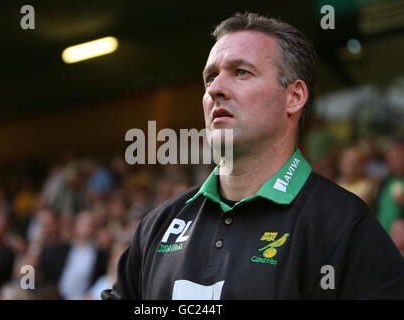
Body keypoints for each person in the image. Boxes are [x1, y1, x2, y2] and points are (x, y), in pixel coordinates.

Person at [102, 12, 404, 300]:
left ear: (294, 97)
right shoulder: (159, 224)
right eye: (210, 78)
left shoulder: (344, 226)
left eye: (241, 72)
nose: (216, 89)